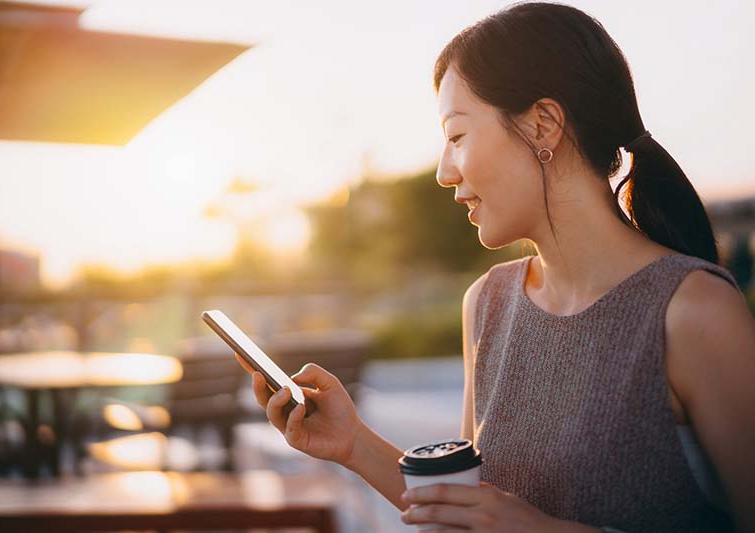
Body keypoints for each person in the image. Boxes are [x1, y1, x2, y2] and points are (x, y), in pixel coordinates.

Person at [235, 2, 755, 531]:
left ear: (543, 124)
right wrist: (353, 444)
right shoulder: (488, 303)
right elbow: (474, 512)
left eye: (456, 136)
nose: (444, 171)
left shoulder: (694, 312)